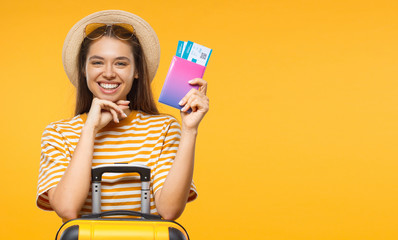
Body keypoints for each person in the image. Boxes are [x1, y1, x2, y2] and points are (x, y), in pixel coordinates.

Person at [36, 10, 209, 221]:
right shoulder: (58, 133)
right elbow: (67, 209)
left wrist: (190, 130)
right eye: (97, 62)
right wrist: (90, 129)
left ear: (136, 71)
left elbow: (169, 211)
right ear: (84, 69)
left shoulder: (163, 129)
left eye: (120, 63)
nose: (108, 73)